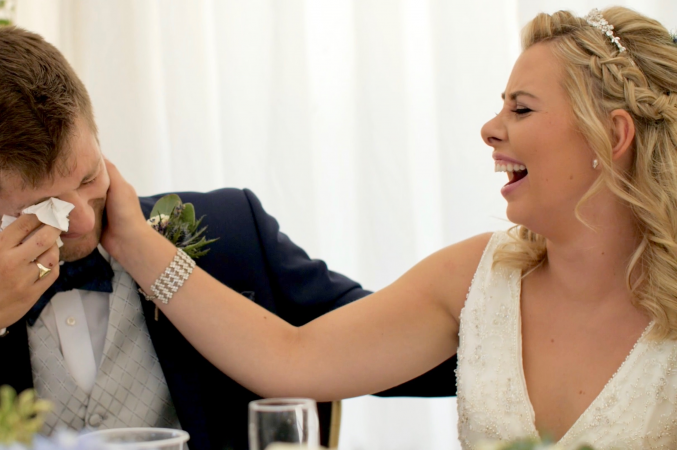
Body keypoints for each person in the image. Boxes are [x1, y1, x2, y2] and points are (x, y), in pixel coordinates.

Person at [100, 7, 677, 449]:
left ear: (615, 135)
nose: (490, 129)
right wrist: (136, 243)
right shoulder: (478, 277)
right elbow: (292, 357)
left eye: (521, 110)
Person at [0, 27, 454, 449]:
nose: (79, 219)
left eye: (88, 177)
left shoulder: (233, 232)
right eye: (44, 207)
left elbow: (422, 352)